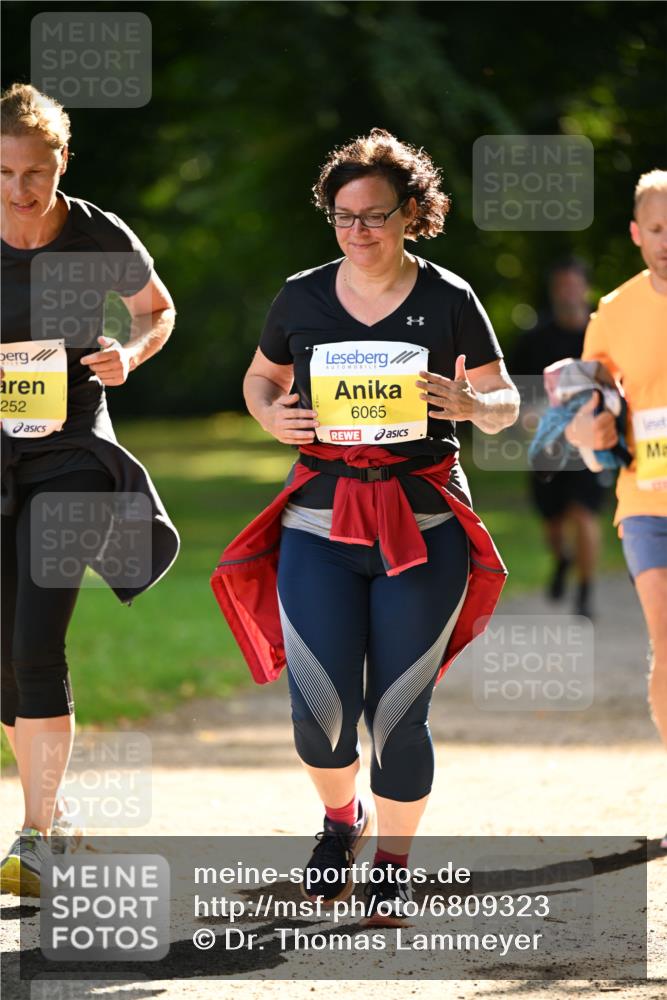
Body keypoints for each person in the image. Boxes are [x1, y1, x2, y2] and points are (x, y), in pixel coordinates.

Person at [214, 128, 520, 924]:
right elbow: (260, 376)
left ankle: (392, 863)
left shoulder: (448, 298)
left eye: (376, 215)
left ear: (410, 212)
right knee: (319, 715)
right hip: (320, 521)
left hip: (422, 524)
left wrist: (470, 405)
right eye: (344, 216)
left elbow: (504, 398)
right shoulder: (301, 295)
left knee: (396, 713)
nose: (359, 230)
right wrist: (271, 415)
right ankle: (339, 821)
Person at [0, 83, 180, 895]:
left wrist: (129, 355)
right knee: (4, 655)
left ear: (60, 161)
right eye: (4, 172)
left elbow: (157, 309)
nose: (19, 190)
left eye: (34, 171)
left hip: (72, 453)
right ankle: (58, 819)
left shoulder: (98, 231)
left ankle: (36, 837)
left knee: (37, 642)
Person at [565, 169, 667, 847]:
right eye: (657, 229)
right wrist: (587, 432)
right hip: (648, 499)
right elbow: (580, 416)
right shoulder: (612, 312)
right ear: (636, 234)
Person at [512, 258, 609, 618]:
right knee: (553, 520)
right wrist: (526, 415)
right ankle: (563, 559)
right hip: (548, 445)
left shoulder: (602, 336)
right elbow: (515, 394)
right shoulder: (534, 340)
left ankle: (585, 593)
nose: (568, 292)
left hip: (591, 445)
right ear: (554, 291)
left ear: (586, 288)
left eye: (574, 285)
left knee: (584, 514)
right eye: (561, 286)